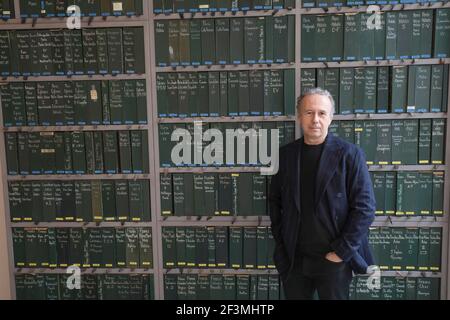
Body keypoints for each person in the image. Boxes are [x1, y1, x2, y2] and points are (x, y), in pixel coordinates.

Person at [269, 88, 376, 300]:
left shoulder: (350, 154)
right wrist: (281, 249)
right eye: (309, 113)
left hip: (334, 260)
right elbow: (275, 203)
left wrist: (341, 252)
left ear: (331, 117)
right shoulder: (284, 156)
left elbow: (365, 208)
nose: (315, 119)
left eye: (322, 113)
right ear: (299, 116)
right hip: (294, 261)